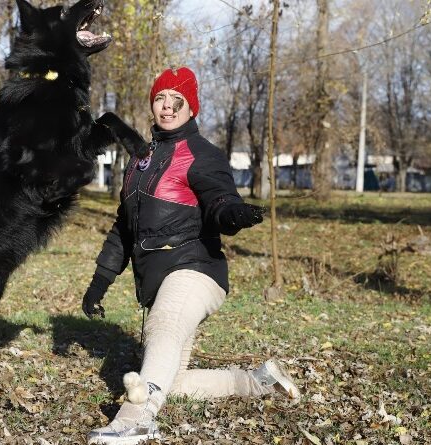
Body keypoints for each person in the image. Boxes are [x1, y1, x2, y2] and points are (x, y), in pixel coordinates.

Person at [82, 67, 301, 444]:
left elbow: (219, 197)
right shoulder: (141, 160)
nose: (167, 108)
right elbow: (124, 227)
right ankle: (258, 381)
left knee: (163, 325)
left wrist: (231, 213)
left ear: (191, 107)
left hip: (195, 269)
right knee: (172, 380)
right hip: (158, 276)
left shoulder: (200, 153)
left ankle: (136, 418)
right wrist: (99, 282)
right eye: (160, 99)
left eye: (176, 101)